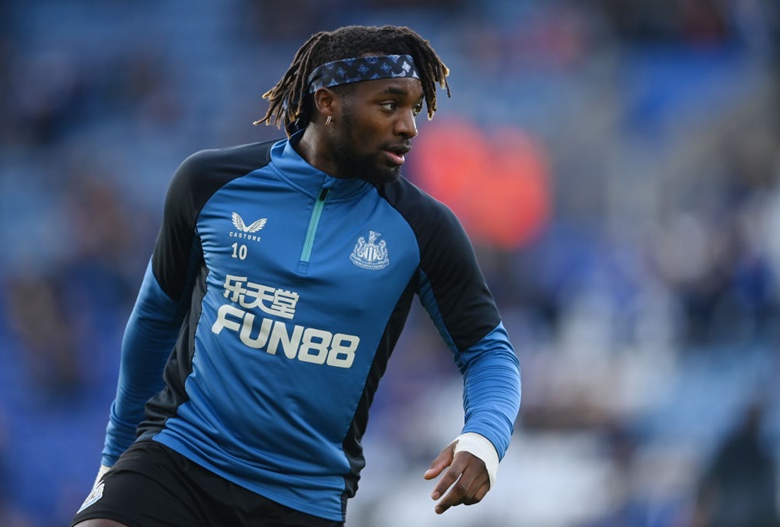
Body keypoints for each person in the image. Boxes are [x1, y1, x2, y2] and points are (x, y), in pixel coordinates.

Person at [72, 24, 521, 527]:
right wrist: (114, 460)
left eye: (414, 108)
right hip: (180, 458)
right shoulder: (209, 184)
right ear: (327, 102)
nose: (409, 127)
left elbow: (489, 353)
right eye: (389, 105)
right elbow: (156, 319)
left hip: (301, 497)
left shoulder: (423, 228)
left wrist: (484, 440)